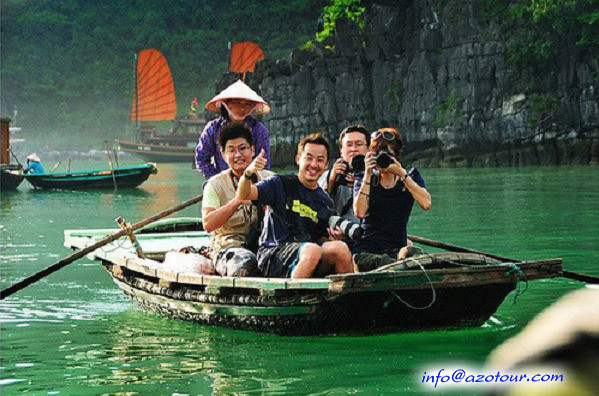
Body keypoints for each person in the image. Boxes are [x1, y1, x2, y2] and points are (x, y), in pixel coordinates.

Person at [237, 133, 354, 278]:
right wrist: (248, 173)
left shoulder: (325, 200)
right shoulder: (279, 183)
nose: (313, 165)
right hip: (273, 254)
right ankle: (291, 297)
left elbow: (321, 239)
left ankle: (346, 298)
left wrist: (335, 238)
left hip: (306, 257)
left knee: (340, 249)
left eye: (320, 160)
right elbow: (243, 195)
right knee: (312, 250)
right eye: (309, 158)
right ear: (298, 159)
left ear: (326, 165)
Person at [353, 128, 431, 271]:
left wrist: (402, 174)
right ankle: (400, 261)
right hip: (366, 251)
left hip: (396, 248)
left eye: (388, 155)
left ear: (396, 156)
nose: (383, 159)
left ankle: (401, 258)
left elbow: (426, 203)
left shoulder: (409, 176)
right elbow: (359, 212)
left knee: (409, 258)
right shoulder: (364, 177)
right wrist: (368, 173)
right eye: (378, 154)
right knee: (388, 263)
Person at [202, 123, 274, 277]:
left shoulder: (270, 179)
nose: (238, 155)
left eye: (243, 148)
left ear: (252, 149)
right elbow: (208, 224)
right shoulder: (214, 185)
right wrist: (238, 200)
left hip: (266, 244)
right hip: (229, 248)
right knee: (245, 264)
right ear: (222, 154)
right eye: (231, 150)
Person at [195, 80, 271, 179]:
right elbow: (201, 159)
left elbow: (264, 164)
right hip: (221, 184)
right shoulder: (213, 128)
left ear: (253, 106)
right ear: (225, 103)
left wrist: (249, 182)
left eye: (247, 105)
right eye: (236, 103)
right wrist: (219, 180)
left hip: (252, 184)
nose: (242, 108)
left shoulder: (259, 130)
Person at [318, 125, 370, 224]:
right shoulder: (329, 175)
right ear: (341, 150)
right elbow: (316, 207)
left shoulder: (376, 177)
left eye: (359, 144)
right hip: (337, 231)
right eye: (349, 145)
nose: (354, 149)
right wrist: (332, 181)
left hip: (368, 233)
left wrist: (363, 182)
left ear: (368, 149)